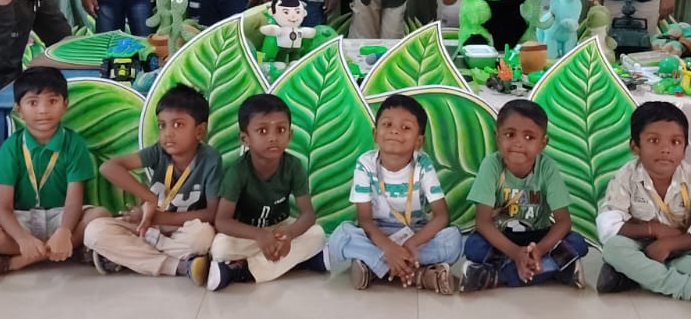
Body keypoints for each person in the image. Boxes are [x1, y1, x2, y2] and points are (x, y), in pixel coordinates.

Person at [0, 67, 111, 277]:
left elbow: (74, 201)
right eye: (33, 103)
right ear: (18, 109)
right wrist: (22, 239)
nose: (43, 110)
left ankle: (17, 262)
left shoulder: (74, 143)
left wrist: (64, 231)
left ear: (65, 105)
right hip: (23, 217)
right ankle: (66, 250)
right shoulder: (11, 147)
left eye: (52, 101)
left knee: (100, 215)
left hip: (62, 215)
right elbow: (3, 208)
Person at [594, 102, 691, 310]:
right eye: (654, 140)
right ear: (635, 146)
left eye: (675, 142)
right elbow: (608, 224)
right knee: (614, 249)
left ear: (685, 150)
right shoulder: (625, 177)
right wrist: (652, 229)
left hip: (681, 248)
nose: (665, 149)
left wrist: (671, 244)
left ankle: (633, 275)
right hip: (640, 247)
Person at [327, 95, 463, 294]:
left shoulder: (423, 164)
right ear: (375, 134)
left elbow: (442, 216)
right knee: (341, 236)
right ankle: (417, 274)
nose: (395, 131)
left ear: (419, 141)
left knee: (453, 239)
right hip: (377, 235)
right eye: (387, 124)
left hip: (414, 235)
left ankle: (375, 267)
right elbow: (365, 220)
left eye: (405, 127)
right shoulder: (365, 164)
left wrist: (411, 243)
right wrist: (389, 248)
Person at [83, 85, 221, 280]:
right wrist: (149, 198)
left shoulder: (210, 159)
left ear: (199, 131)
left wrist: (158, 218)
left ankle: (127, 256)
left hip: (182, 227)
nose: (168, 133)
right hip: (147, 224)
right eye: (162, 125)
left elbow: (211, 213)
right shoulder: (158, 151)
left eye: (178, 125)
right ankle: (180, 266)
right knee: (94, 231)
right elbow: (109, 167)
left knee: (202, 237)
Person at [461, 100, 588, 291]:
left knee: (577, 243)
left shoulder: (547, 168)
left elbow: (563, 222)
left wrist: (539, 250)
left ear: (543, 143)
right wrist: (515, 252)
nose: (518, 143)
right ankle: (555, 270)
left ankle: (500, 275)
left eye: (529, 137)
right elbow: (483, 222)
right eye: (510, 135)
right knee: (473, 246)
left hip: (538, 237)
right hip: (502, 238)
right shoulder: (491, 165)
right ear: (497, 137)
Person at [206, 94, 327, 290]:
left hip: (280, 229)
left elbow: (308, 214)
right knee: (220, 248)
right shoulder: (237, 172)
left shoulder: (293, 166)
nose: (273, 138)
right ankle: (297, 261)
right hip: (247, 233)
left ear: (290, 135)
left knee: (318, 235)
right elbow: (222, 221)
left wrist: (289, 234)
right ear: (245, 139)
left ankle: (242, 270)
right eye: (262, 131)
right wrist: (259, 235)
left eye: (281, 130)